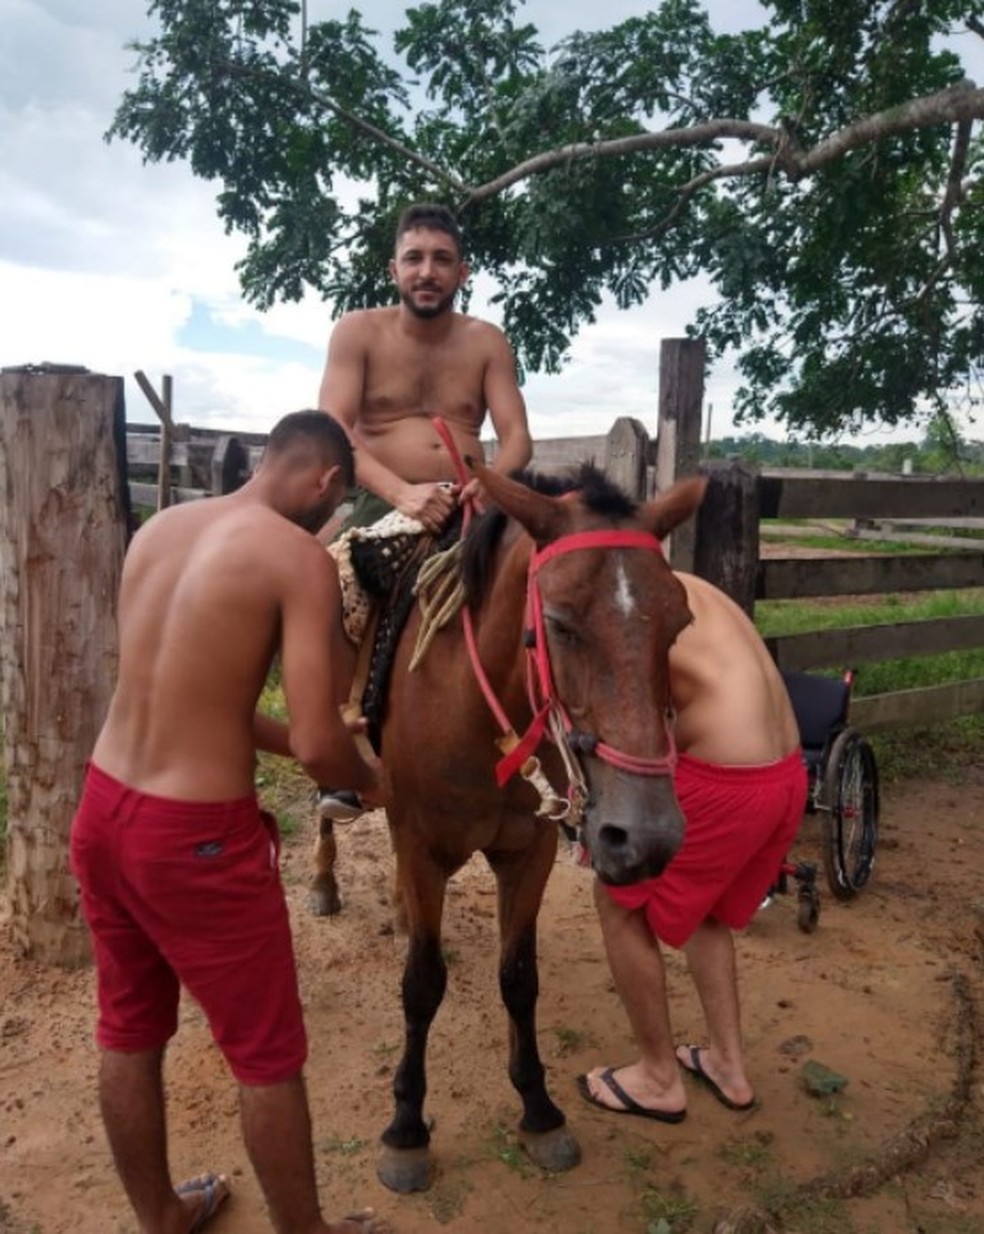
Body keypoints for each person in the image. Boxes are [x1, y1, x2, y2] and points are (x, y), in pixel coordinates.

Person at [70, 411, 394, 1234]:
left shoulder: (163, 529)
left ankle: (162, 1217)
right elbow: (325, 745)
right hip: (195, 841)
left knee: (129, 1031)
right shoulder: (298, 559)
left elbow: (190, 691)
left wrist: (300, 741)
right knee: (266, 1056)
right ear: (325, 483)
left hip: (105, 809)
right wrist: (369, 781)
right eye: (336, 502)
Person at [577, 571, 808, 1121]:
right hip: (788, 776)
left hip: (728, 781)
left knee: (617, 902)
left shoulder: (625, 607)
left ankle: (658, 1077)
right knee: (708, 914)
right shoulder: (687, 585)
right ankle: (727, 1063)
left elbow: (635, 723)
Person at [317, 201, 533, 534]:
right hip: (383, 502)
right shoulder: (357, 331)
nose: (428, 272)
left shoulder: (488, 342)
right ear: (394, 271)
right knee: (341, 580)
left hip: (470, 503)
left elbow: (517, 436)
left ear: (462, 273)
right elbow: (332, 426)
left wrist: (494, 484)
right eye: (414, 258)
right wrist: (401, 493)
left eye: (442, 259)